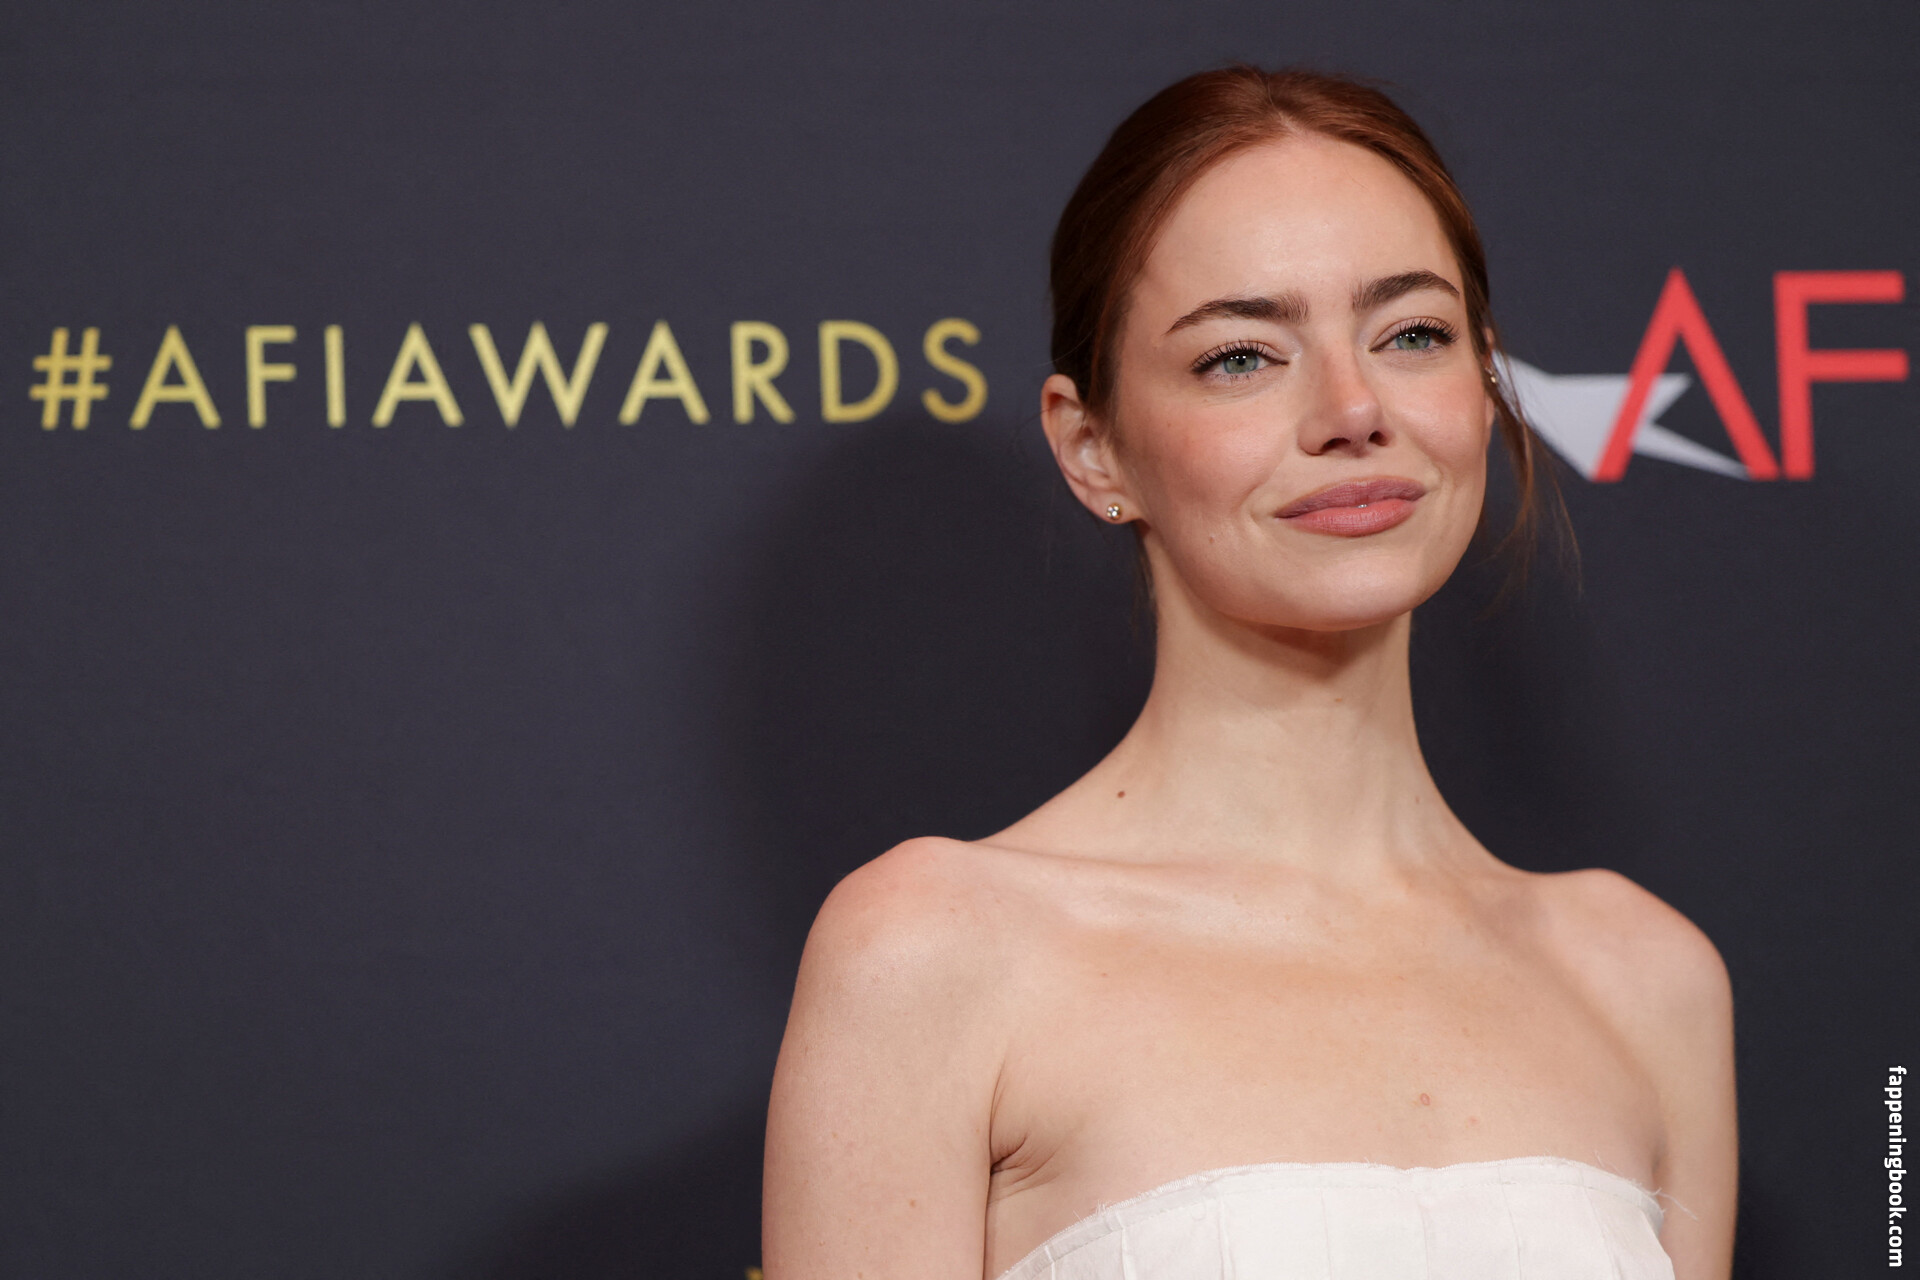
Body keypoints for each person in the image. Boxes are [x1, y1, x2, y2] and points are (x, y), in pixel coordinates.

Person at [761, 65, 1737, 1280]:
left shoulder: (1649, 978)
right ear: (1092, 446)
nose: (1352, 408)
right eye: (1241, 356)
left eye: (1412, 334)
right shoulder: (934, 951)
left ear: (1484, 389)